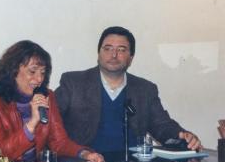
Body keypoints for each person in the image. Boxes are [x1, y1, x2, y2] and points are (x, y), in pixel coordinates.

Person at [55, 26, 202, 153]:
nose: (113, 55)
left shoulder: (145, 89)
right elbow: (51, 123)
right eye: (108, 49)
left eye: (121, 50)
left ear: (131, 58)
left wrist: (182, 135)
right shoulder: (74, 83)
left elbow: (162, 125)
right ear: (98, 53)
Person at [0, 40, 105, 162]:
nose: (39, 79)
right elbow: (0, 153)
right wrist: (32, 123)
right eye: (32, 72)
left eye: (42, 73)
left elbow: (59, 142)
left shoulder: (47, 96)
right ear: (13, 71)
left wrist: (85, 154)